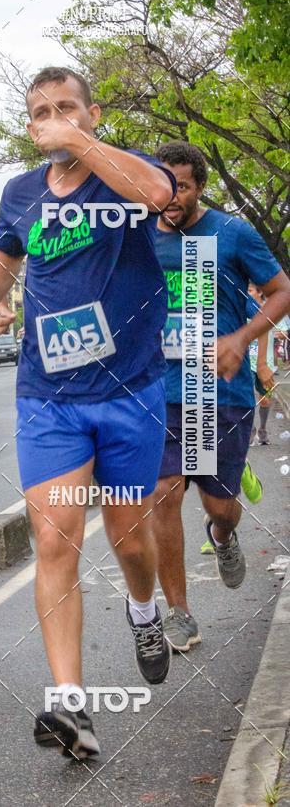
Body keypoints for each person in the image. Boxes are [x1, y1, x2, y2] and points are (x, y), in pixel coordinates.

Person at [0, 66, 177, 760]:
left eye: (67, 108)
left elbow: (158, 193)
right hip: (48, 397)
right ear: (29, 126)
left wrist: (82, 144)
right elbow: (3, 252)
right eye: (42, 112)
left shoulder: (124, 173)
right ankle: (70, 706)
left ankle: (144, 610)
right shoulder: (21, 192)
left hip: (130, 390)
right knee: (57, 542)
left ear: (92, 114)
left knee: (128, 536)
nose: (54, 120)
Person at [152, 141, 290, 653]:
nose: (170, 196)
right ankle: (179, 612)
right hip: (159, 388)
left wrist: (242, 339)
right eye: (163, 185)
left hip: (218, 389)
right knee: (164, 492)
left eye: (181, 186)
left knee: (220, 505)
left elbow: (281, 290)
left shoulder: (231, 233)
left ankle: (224, 535)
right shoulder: (138, 233)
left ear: (199, 186)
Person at [247, 283, 276, 446]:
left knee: (265, 400)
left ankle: (263, 429)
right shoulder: (242, 308)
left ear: (259, 293)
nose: (247, 294)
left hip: (266, 362)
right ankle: (250, 429)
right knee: (248, 397)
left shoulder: (270, 309)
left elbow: (282, 329)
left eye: (250, 291)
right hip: (247, 362)